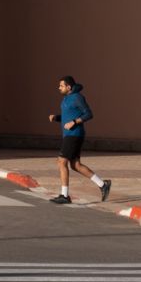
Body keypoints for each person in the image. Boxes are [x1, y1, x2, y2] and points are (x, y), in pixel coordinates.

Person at [49, 75, 111, 204]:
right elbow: (68, 116)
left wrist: (74, 122)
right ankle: (103, 184)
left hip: (75, 134)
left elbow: (88, 114)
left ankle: (65, 196)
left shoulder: (77, 97)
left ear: (68, 87)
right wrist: (57, 118)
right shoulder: (66, 99)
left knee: (61, 162)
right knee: (75, 165)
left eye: (61, 86)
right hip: (69, 135)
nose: (59, 88)